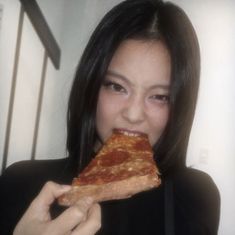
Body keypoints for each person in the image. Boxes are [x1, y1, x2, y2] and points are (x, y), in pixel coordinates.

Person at [0, 0, 220, 234]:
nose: (133, 114)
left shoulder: (196, 194)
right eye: (116, 86)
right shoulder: (19, 183)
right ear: (91, 86)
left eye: (159, 96)